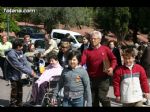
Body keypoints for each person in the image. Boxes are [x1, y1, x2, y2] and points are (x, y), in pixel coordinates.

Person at [81, 30, 117, 107]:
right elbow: (82, 62)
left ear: (99, 39)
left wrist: (112, 68)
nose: (92, 40)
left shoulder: (105, 49)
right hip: (91, 79)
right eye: (91, 38)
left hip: (103, 78)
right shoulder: (86, 51)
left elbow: (113, 59)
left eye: (94, 38)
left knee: (102, 97)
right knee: (93, 100)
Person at [5, 39, 36, 107]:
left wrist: (31, 70)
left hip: (19, 74)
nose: (22, 47)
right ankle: (13, 104)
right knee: (14, 89)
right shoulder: (11, 54)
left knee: (20, 89)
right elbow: (19, 66)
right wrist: (30, 72)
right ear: (18, 47)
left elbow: (25, 62)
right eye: (21, 46)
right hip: (12, 74)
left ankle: (19, 103)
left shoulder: (20, 51)